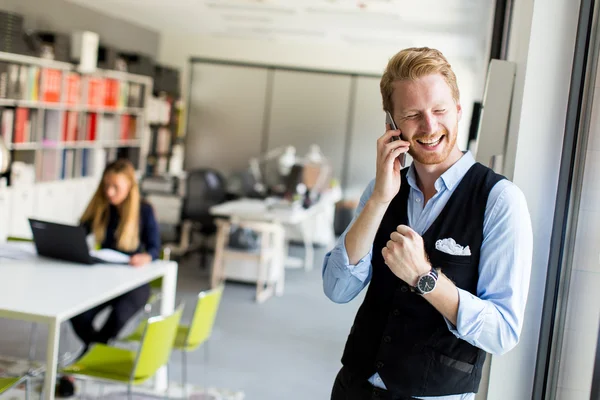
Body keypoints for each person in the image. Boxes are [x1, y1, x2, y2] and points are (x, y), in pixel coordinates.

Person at [322, 47, 533, 400]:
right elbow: (337, 289)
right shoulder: (381, 189)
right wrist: (379, 200)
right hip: (354, 386)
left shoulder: (500, 201)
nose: (430, 126)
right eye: (412, 115)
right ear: (392, 124)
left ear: (459, 110)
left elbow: (502, 332)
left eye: (439, 110)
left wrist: (425, 278)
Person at [59, 159, 161, 396]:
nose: (109, 192)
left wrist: (146, 257)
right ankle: (89, 358)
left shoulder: (144, 211)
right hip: (103, 278)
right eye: (106, 186)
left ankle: (75, 370)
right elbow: (77, 233)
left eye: (116, 187)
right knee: (77, 313)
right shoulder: (102, 206)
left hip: (134, 283)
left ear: (130, 187)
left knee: (116, 320)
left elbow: (155, 248)